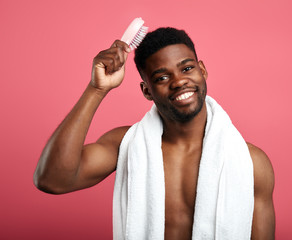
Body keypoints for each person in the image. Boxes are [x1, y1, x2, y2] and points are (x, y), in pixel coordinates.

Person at [34, 27, 275, 240]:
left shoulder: (251, 162)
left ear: (202, 70)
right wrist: (96, 89)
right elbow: (52, 180)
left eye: (187, 68)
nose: (179, 81)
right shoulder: (125, 144)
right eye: (162, 77)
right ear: (147, 91)